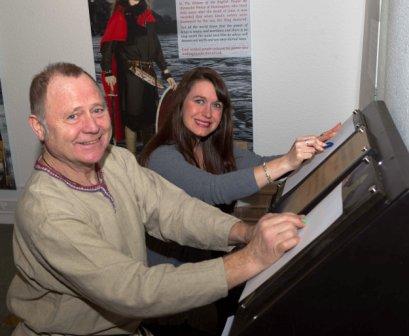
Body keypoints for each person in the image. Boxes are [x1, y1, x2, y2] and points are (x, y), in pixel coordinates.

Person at [6, 62, 305, 336]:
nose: (92, 126)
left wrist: (244, 232)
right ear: (39, 127)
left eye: (97, 110)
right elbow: (132, 289)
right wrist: (250, 258)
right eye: (73, 115)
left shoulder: (117, 160)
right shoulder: (46, 211)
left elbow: (174, 210)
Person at [138, 66, 339, 333]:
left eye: (216, 105)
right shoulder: (162, 157)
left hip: (207, 273)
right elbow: (212, 189)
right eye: (199, 101)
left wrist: (306, 153)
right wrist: (286, 162)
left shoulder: (216, 148)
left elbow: (261, 165)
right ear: (180, 105)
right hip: (167, 289)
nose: (207, 113)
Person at [100, 0, 177, 154]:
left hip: (149, 73)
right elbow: (109, 46)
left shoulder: (148, 15)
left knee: (149, 117)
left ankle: (148, 158)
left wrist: (165, 71)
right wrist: (108, 71)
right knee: (132, 118)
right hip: (130, 74)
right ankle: (131, 159)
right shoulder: (120, 15)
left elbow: (156, 47)